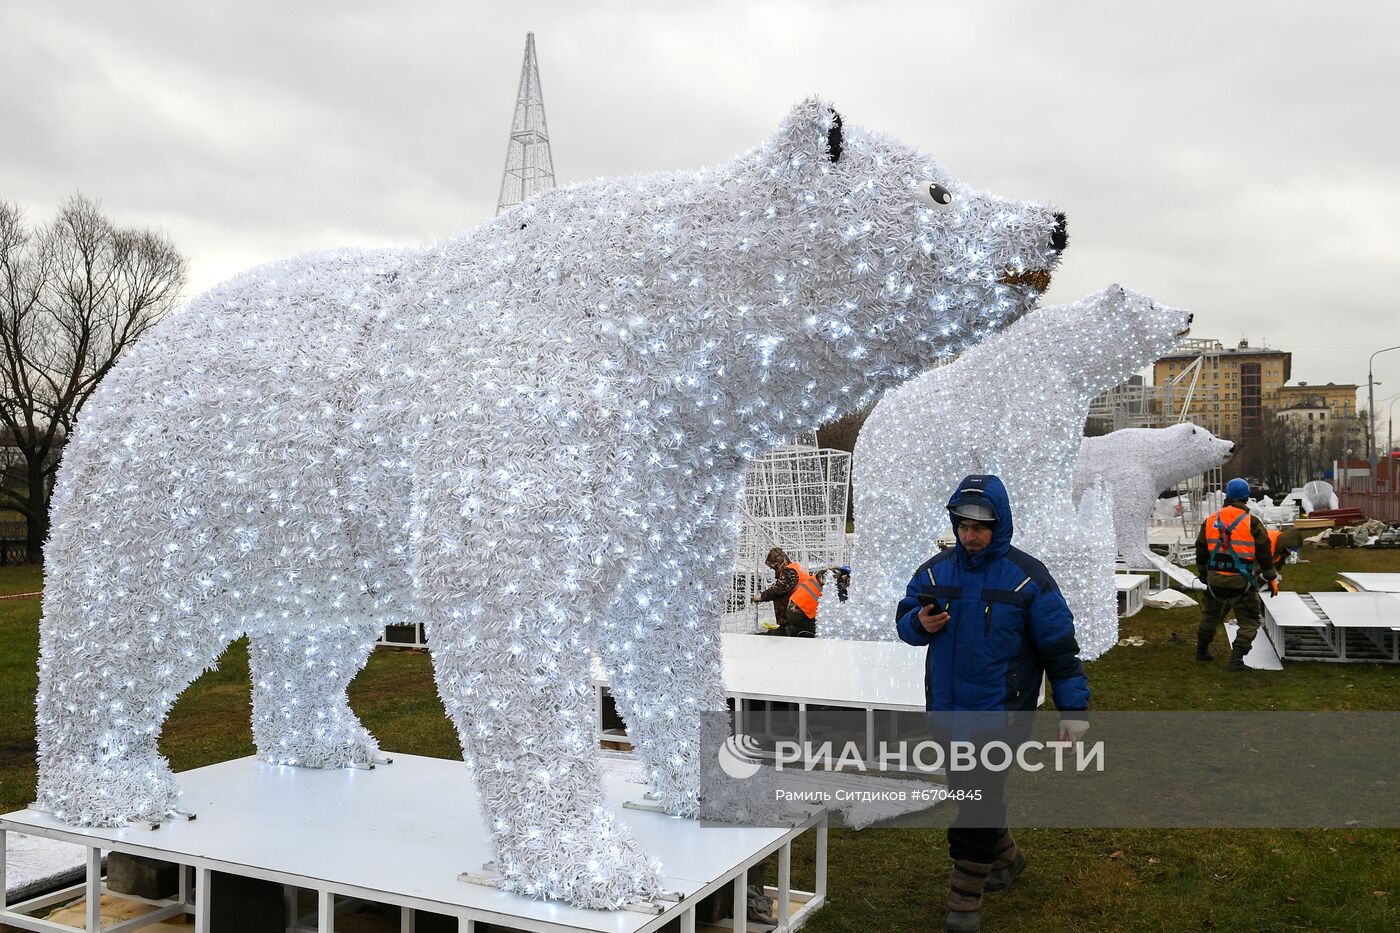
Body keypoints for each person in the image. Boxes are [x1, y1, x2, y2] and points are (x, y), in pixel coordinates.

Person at [896, 474, 1090, 933]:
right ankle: (1007, 858)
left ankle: (963, 902)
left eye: (981, 527)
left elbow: (1060, 651)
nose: (970, 535)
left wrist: (1074, 712)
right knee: (971, 793)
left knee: (976, 802)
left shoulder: (1029, 578)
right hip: (947, 712)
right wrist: (919, 622)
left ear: (1000, 525)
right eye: (963, 525)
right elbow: (904, 623)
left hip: (1001, 716)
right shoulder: (933, 572)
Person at [1195, 476, 1279, 671]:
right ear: (1247, 498)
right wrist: (1271, 577)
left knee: (1210, 615)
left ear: (1227, 496)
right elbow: (1264, 551)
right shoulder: (1252, 522)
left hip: (1215, 581)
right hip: (1241, 583)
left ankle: (1201, 651)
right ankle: (1237, 659)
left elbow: (1200, 548)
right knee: (1249, 621)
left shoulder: (1210, 520)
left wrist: (1203, 574)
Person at [751, 547, 822, 636]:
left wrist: (761, 597)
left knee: (779, 595)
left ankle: (786, 627)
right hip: (807, 607)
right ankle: (787, 627)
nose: (773, 570)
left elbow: (778, 589)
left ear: (778, 564)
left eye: (773, 567)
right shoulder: (794, 567)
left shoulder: (790, 572)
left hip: (804, 610)